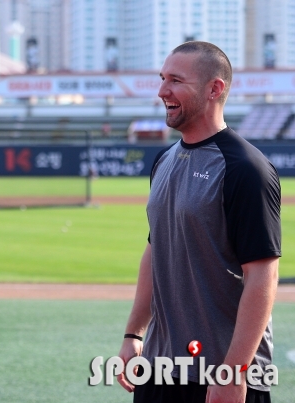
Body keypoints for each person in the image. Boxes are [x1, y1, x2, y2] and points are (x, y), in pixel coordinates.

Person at [117, 41, 281, 403]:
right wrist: (134, 334)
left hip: (221, 374)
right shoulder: (163, 161)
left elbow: (263, 276)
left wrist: (234, 371)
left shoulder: (246, 169)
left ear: (214, 89)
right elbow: (154, 250)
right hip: (159, 368)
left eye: (175, 80)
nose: (162, 91)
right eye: (162, 79)